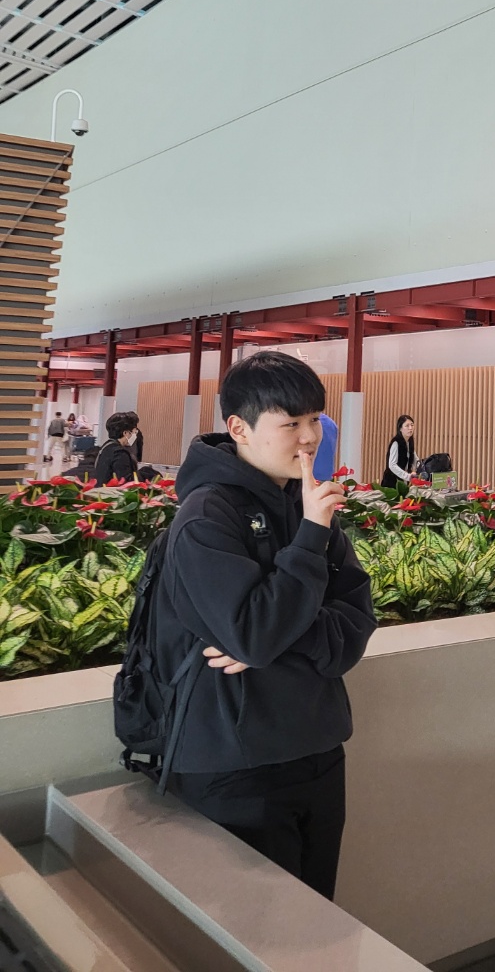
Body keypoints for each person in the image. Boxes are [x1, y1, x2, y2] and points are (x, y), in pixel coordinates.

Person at [153, 351, 376, 899]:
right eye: (290, 423)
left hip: (318, 749)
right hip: (236, 765)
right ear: (239, 428)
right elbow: (253, 634)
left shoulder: (310, 505)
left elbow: (354, 625)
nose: (309, 438)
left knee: (317, 913)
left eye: (314, 420)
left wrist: (273, 638)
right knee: (255, 929)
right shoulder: (207, 516)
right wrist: (307, 545)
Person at [95, 412, 158, 482]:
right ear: (126, 433)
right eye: (135, 432)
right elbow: (126, 480)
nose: (135, 436)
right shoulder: (119, 453)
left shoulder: (106, 447)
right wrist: (146, 473)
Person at [381, 414, 420, 488]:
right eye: (407, 426)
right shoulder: (396, 443)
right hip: (392, 484)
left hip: (404, 483)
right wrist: (407, 476)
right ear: (400, 428)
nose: (410, 428)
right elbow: (392, 465)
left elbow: (416, 460)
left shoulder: (409, 442)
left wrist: (423, 467)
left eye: (412, 425)